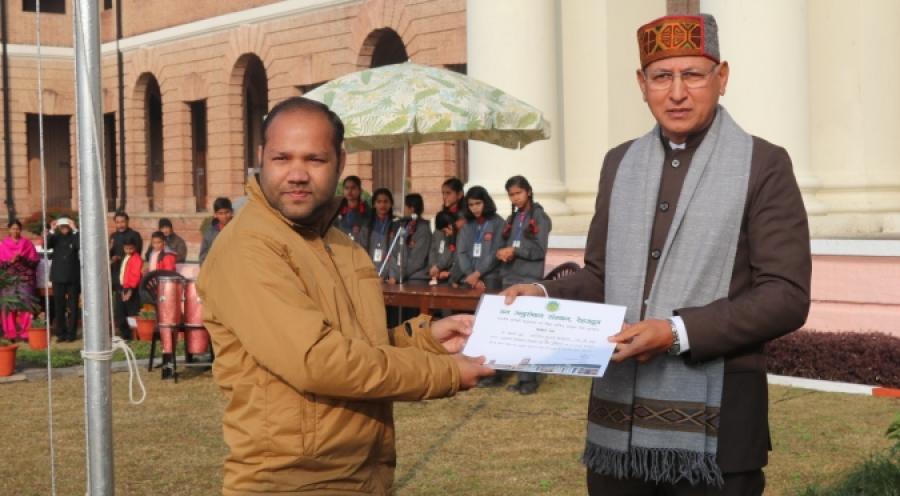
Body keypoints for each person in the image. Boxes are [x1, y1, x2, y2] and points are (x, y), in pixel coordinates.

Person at [502, 14, 811, 495]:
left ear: (722, 77)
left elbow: (785, 296)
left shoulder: (763, 164)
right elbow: (601, 276)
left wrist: (676, 332)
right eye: (662, 76)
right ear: (641, 84)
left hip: (719, 435)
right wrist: (542, 294)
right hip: (617, 431)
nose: (677, 93)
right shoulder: (619, 163)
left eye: (693, 75)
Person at [197, 96, 494, 494]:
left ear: (340, 162)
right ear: (261, 157)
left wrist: (426, 340)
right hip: (293, 481)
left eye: (314, 159)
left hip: (363, 473)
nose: (297, 174)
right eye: (282, 158)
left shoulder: (340, 244)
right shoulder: (249, 246)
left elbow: (357, 343)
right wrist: (445, 373)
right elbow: (318, 360)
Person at [496, 176, 551, 395]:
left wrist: (516, 250)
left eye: (518, 193)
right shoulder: (513, 218)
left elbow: (540, 251)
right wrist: (503, 252)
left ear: (528, 191)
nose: (515, 198)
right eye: (511, 194)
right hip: (509, 278)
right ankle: (503, 372)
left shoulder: (539, 217)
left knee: (527, 332)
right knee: (508, 331)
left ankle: (528, 380)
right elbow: (505, 243)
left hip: (528, 281)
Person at [454, 186, 504, 291]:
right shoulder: (467, 225)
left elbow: (496, 252)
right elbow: (461, 252)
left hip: (491, 277)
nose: (475, 208)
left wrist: (477, 274)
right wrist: (471, 275)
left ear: (485, 202)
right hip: (468, 277)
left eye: (478, 203)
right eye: (471, 205)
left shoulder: (498, 222)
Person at [0, 220, 39, 340]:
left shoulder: (27, 244)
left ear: (20, 230)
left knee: (26, 306)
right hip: (9, 279)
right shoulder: (3, 245)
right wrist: (10, 261)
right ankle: (10, 333)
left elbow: (35, 262)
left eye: (17, 228)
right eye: (13, 228)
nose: (15, 231)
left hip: (25, 279)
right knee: (8, 306)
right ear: (9, 230)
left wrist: (22, 258)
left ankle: (25, 333)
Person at [46, 218, 80, 342]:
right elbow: (46, 245)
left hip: (72, 277)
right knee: (59, 306)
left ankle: (71, 334)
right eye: (62, 226)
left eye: (66, 226)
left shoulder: (74, 236)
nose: (64, 228)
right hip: (58, 277)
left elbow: (80, 245)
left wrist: (75, 229)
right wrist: (52, 230)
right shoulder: (55, 237)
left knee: (73, 307)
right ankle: (61, 333)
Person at [387, 193, 431, 284]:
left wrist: (399, 275)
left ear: (411, 209)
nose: (404, 210)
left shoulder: (423, 229)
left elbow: (417, 261)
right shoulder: (403, 226)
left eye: (405, 207)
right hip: (400, 276)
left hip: (417, 278)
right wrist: (394, 274)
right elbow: (395, 252)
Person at [361, 188, 398, 278]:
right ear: (374, 204)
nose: (382, 205)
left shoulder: (397, 224)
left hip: (390, 276)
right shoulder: (367, 225)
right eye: (379, 202)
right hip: (369, 273)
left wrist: (393, 275)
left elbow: (398, 253)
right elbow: (361, 250)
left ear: (391, 204)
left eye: (386, 201)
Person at [114, 239, 143, 340]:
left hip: (131, 289)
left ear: (135, 248)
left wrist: (130, 289)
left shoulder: (137, 259)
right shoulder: (124, 257)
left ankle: (134, 335)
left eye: (131, 248)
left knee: (132, 314)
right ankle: (125, 335)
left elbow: (135, 275)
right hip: (122, 288)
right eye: (126, 248)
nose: (129, 250)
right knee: (120, 313)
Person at [335, 175, 370, 248]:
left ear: (360, 190)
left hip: (361, 249)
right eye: (346, 188)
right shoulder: (337, 210)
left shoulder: (367, 211)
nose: (349, 191)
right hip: (341, 248)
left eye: (353, 188)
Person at [427, 210, 459, 286]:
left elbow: (459, 258)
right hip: (441, 274)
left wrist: (450, 272)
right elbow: (433, 251)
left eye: (445, 231)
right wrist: (433, 267)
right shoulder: (440, 232)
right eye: (443, 232)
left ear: (450, 225)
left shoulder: (461, 235)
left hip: (456, 276)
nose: (446, 235)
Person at [199, 197, 233, 264]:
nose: (224, 216)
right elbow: (203, 257)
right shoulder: (209, 234)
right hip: (216, 268)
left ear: (232, 212)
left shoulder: (238, 230)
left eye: (227, 212)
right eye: (220, 213)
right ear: (215, 214)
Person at [109, 211, 142, 278]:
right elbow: (109, 253)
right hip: (115, 270)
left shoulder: (134, 235)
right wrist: (111, 255)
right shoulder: (113, 236)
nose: (120, 225)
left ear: (127, 221)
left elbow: (137, 253)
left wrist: (120, 258)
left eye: (122, 222)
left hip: (129, 270)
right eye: (117, 222)